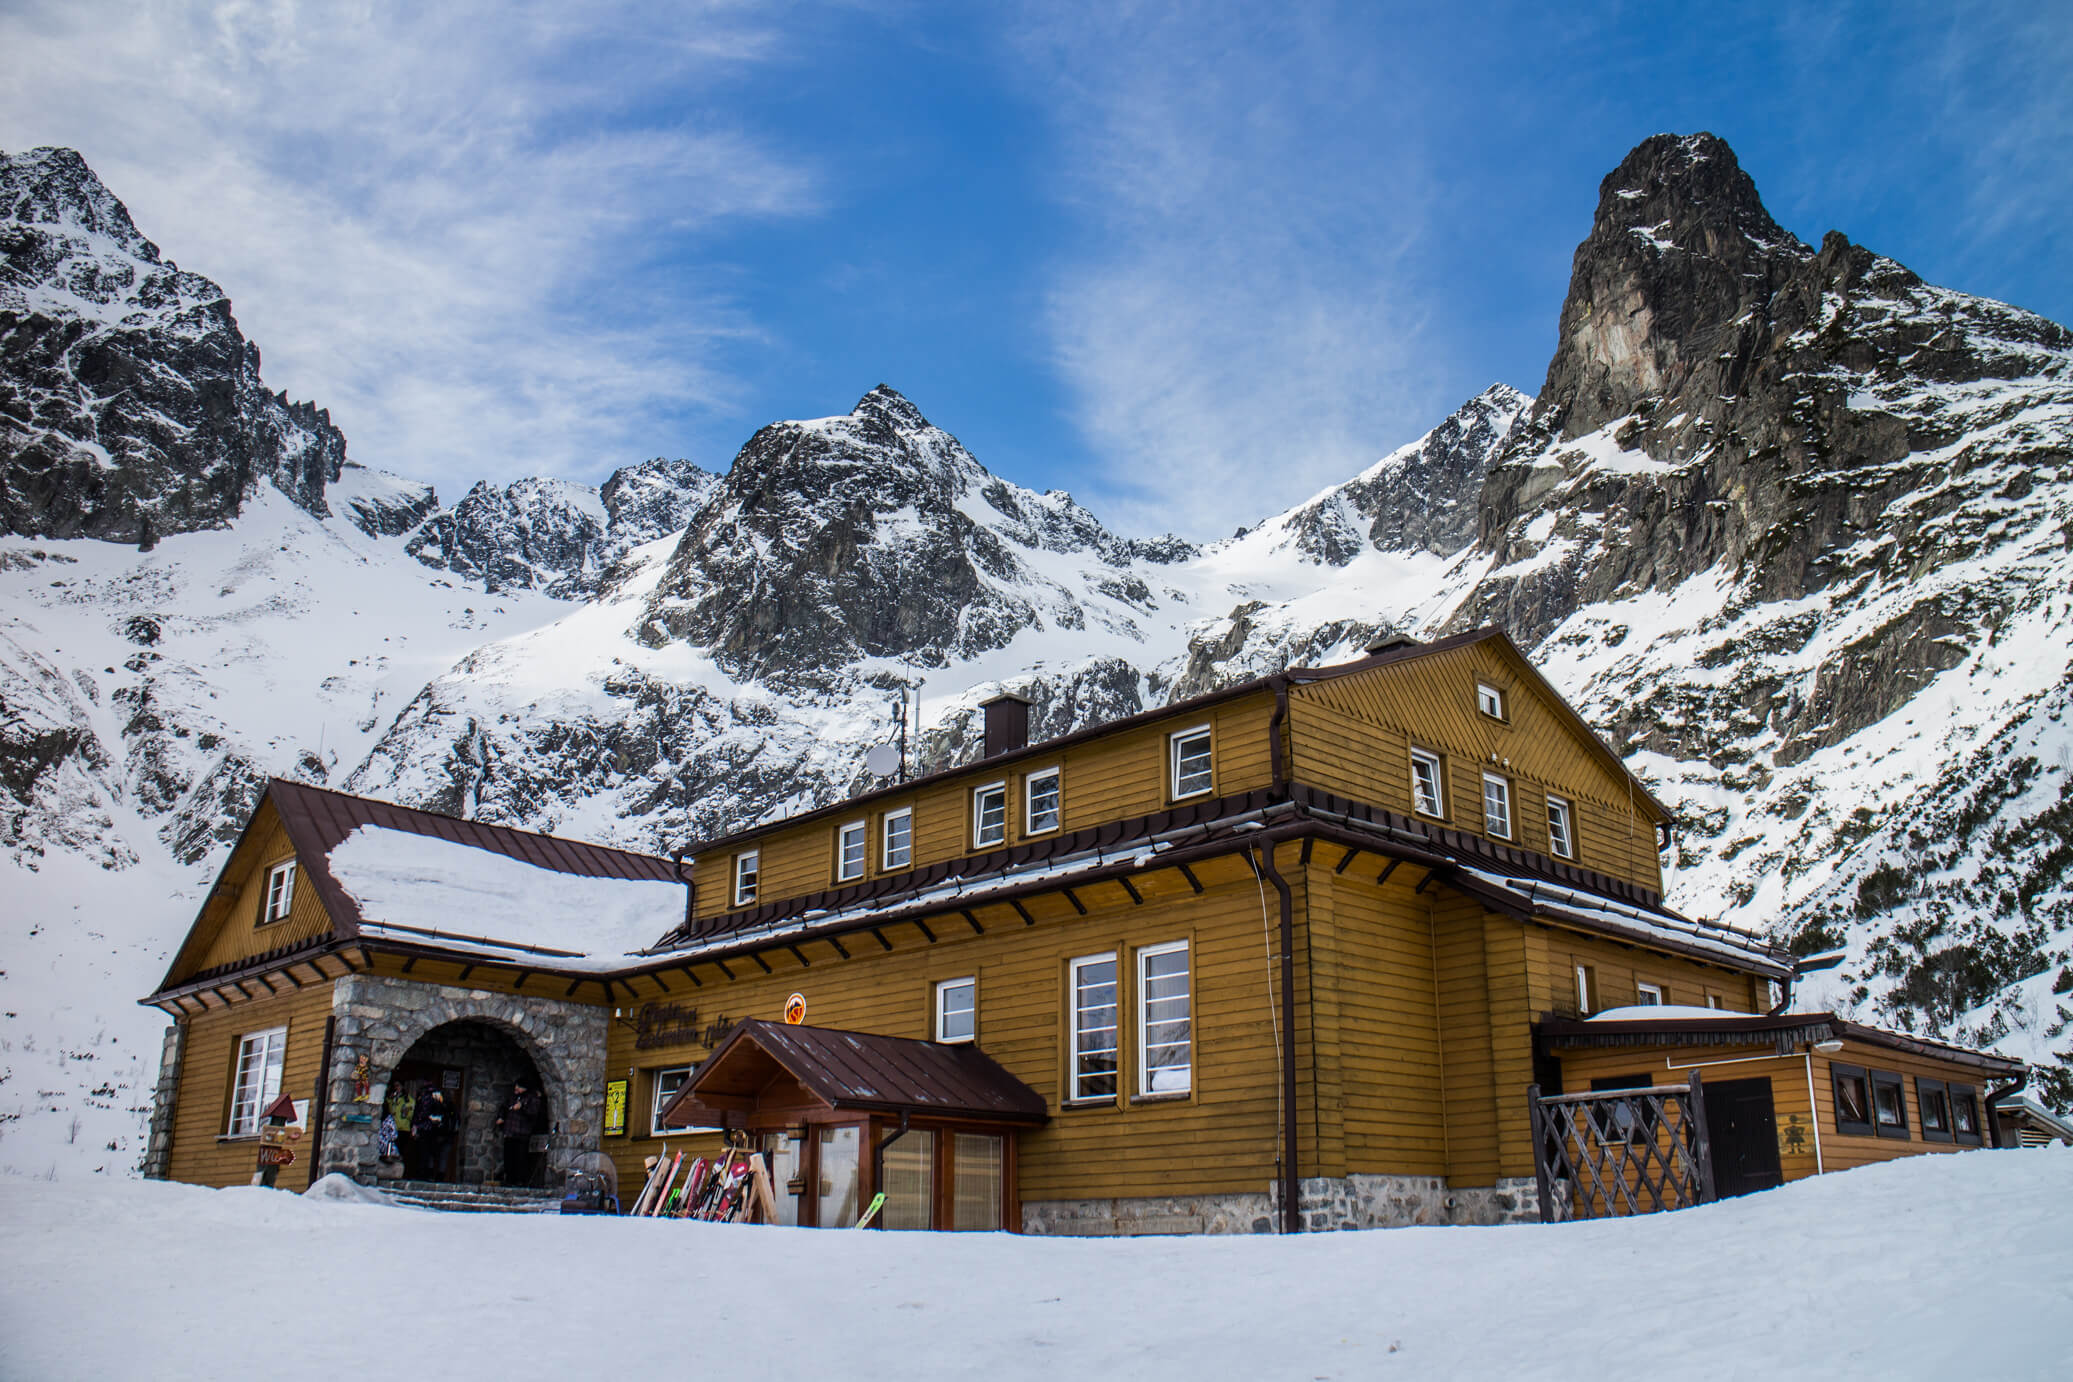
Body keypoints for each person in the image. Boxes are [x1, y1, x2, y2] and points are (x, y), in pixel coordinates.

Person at [494, 1081, 543, 1187]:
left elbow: (533, 1114)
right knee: (508, 1157)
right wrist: (501, 1117)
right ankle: (509, 1179)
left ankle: (519, 1180)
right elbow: (504, 1107)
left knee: (520, 1158)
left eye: (519, 1086)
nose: (516, 1088)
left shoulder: (532, 1099)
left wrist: (522, 1108)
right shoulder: (512, 1097)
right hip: (510, 1131)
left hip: (522, 1133)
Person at [413, 1087, 452, 1181]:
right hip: (436, 1132)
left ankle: (425, 1174)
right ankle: (433, 1175)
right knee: (434, 1154)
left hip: (428, 1130)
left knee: (426, 1153)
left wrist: (417, 1124)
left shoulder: (427, 1100)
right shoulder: (442, 1102)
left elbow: (422, 1115)